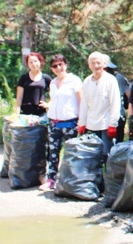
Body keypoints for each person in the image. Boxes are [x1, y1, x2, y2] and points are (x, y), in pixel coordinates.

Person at [39, 54, 83, 192]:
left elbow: (81, 101)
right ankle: (51, 179)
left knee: (70, 152)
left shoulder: (74, 80)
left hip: (70, 121)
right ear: (51, 69)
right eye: (54, 66)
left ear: (65, 65)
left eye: (61, 64)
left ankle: (69, 180)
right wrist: (49, 106)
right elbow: (55, 100)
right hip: (54, 122)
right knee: (53, 151)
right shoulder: (52, 83)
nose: (58, 68)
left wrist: (82, 121)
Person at [77, 51, 120, 156]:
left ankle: (109, 173)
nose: (96, 66)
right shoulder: (87, 81)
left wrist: (112, 124)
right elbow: (84, 104)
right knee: (93, 156)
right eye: (93, 63)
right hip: (91, 125)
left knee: (108, 155)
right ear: (89, 65)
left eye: (98, 63)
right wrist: (82, 123)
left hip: (106, 125)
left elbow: (115, 103)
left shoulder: (111, 80)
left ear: (103, 64)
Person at [15, 52, 52, 117]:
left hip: (41, 114)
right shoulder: (24, 78)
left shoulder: (46, 78)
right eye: (30, 62)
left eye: (35, 61)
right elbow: (19, 98)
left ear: (40, 62)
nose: (33, 64)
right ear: (28, 64)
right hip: (25, 113)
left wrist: (49, 104)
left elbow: (56, 93)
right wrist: (16, 114)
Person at [104, 58, 131, 143]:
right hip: (102, 118)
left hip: (118, 117)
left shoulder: (118, 78)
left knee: (116, 144)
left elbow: (130, 97)